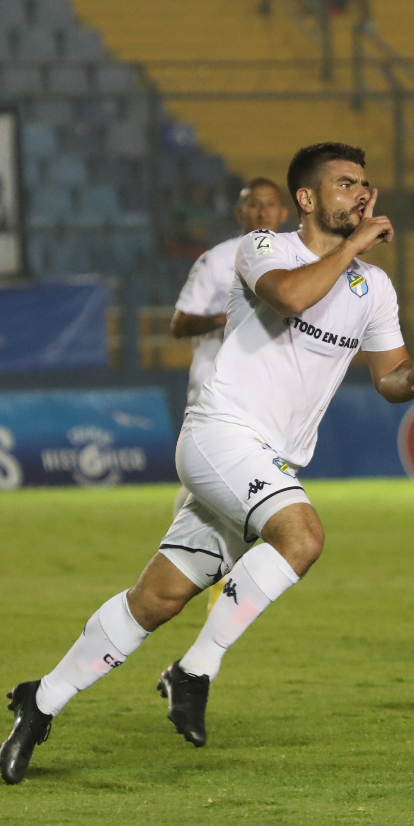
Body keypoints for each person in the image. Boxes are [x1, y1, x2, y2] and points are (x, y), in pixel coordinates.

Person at [0, 142, 414, 785]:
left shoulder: (372, 287)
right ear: (308, 199)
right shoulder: (266, 248)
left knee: (156, 599)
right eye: (346, 183)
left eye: (365, 184)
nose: (361, 194)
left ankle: (39, 702)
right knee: (303, 535)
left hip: (266, 457)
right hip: (220, 433)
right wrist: (353, 247)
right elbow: (290, 297)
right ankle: (194, 670)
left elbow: (388, 375)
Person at [169, 178, 288, 611]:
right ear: (239, 213)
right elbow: (181, 323)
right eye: (253, 205)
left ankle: (190, 571)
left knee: (235, 494)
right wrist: (236, 314)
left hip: (267, 398)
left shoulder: (295, 262)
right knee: (218, 491)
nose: (262, 213)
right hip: (214, 391)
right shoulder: (218, 260)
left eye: (270, 205)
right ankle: (202, 578)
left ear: (284, 213)